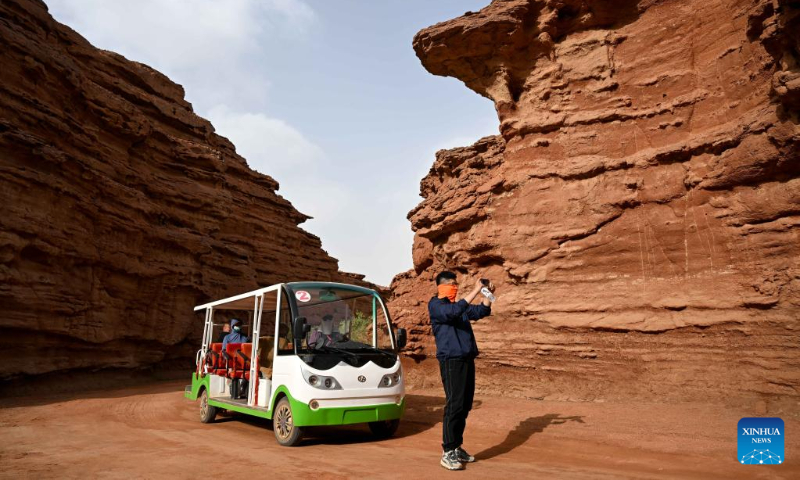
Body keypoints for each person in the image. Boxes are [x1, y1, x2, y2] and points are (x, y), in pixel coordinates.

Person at [429, 271, 494, 471]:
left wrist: (488, 296)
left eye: (456, 284)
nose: (455, 287)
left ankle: (456, 447)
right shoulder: (437, 305)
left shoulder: (457, 307)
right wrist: (475, 289)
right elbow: (453, 312)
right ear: (441, 286)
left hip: (466, 359)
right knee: (454, 405)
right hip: (451, 361)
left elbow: (480, 312)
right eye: (452, 284)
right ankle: (447, 451)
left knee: (465, 405)